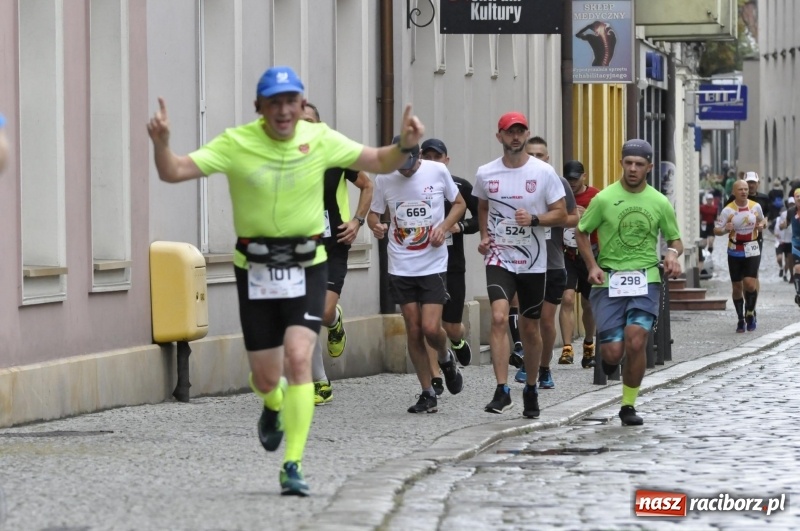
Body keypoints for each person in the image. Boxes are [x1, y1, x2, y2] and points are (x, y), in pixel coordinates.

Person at [147, 65, 425, 496]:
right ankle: (272, 403)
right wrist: (162, 144)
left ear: (301, 104)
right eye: (273, 102)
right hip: (255, 269)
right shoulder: (237, 142)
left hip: (307, 264)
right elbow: (174, 171)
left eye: (290, 101)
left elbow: (377, 161)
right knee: (265, 377)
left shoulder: (321, 138)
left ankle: (292, 464)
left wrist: (405, 144)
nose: (283, 110)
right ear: (258, 106)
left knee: (298, 358)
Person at [575, 139, 683, 426]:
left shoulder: (659, 202)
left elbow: (675, 240)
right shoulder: (604, 199)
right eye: (628, 163)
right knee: (612, 353)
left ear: (649, 167)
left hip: (645, 279)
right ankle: (614, 361)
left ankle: (628, 405)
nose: (633, 169)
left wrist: (672, 255)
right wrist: (592, 265)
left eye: (639, 164)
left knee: (636, 339)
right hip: (608, 281)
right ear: (621, 163)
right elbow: (581, 232)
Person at [473, 112, 567, 418]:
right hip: (499, 257)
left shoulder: (543, 172)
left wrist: (535, 219)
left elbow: (561, 213)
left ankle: (531, 387)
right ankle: (502, 390)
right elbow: (482, 205)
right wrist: (485, 235)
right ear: (499, 136)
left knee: (529, 327)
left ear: (526, 135)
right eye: (509, 132)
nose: (515, 137)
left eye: (520, 131)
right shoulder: (486, 173)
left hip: (533, 261)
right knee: (499, 317)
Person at [367, 136, 466, 414]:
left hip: (432, 262)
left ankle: (445, 358)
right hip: (401, 263)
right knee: (413, 328)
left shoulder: (437, 171)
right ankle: (427, 392)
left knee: (431, 328)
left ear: (419, 155)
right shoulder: (384, 177)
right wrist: (376, 227)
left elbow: (459, 204)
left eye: (410, 164)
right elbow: (374, 214)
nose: (406, 170)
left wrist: (443, 227)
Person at [301, 102, 373, 406]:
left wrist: (357, 222)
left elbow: (367, 186)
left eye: (309, 121)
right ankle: (320, 383)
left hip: (333, 246)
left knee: (323, 312)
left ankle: (335, 321)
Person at [512, 138, 578, 390]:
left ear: (548, 158)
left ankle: (544, 366)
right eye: (531, 154)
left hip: (552, 263)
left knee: (547, 321)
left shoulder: (558, 183)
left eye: (540, 155)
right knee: (528, 319)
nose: (536, 159)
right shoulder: (513, 182)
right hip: (523, 262)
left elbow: (574, 218)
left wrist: (544, 220)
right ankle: (528, 364)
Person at [419, 138, 478, 397]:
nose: (433, 162)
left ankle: (457, 340)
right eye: (427, 157)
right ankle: (435, 377)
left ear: (447, 160)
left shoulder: (460, 186)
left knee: (450, 325)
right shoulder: (412, 186)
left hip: (452, 265)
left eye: (437, 157)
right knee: (429, 324)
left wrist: (461, 226)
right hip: (423, 265)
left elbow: (481, 217)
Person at [559, 159, 600, 368]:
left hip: (589, 254)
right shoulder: (559, 195)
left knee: (588, 303)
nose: (572, 183)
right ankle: (567, 348)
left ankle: (588, 344)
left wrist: (587, 216)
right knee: (566, 298)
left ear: (584, 177)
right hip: (566, 254)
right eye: (568, 179)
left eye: (575, 179)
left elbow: (605, 223)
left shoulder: (595, 196)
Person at [714, 179, 766, 333]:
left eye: (746, 189)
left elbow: (762, 220)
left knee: (750, 284)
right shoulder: (728, 210)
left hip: (752, 247)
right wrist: (725, 229)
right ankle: (740, 319)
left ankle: (750, 312)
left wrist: (762, 225)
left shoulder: (755, 206)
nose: (744, 192)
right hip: (735, 249)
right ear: (734, 192)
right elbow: (716, 230)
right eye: (740, 189)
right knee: (737, 287)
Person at [784, 189, 800, 306]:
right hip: (796, 243)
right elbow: (787, 223)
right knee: (798, 268)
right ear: (794, 199)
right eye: (797, 196)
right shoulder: (790, 211)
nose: (799, 198)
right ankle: (799, 294)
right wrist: (782, 225)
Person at [698, 192, 718, 275]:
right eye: (708, 199)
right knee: (704, 243)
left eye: (711, 199)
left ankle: (709, 253)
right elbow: (699, 216)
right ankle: (703, 255)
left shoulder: (715, 208)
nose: (710, 201)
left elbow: (716, 217)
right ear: (706, 200)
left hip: (711, 225)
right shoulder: (702, 207)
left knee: (711, 242)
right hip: (704, 225)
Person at [776, 197, 794, 281]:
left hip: (794, 239)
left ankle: (792, 275)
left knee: (791, 259)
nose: (792, 206)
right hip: (785, 240)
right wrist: (785, 224)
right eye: (790, 204)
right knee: (788, 259)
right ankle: (790, 275)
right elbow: (780, 227)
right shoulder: (784, 214)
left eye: (793, 204)